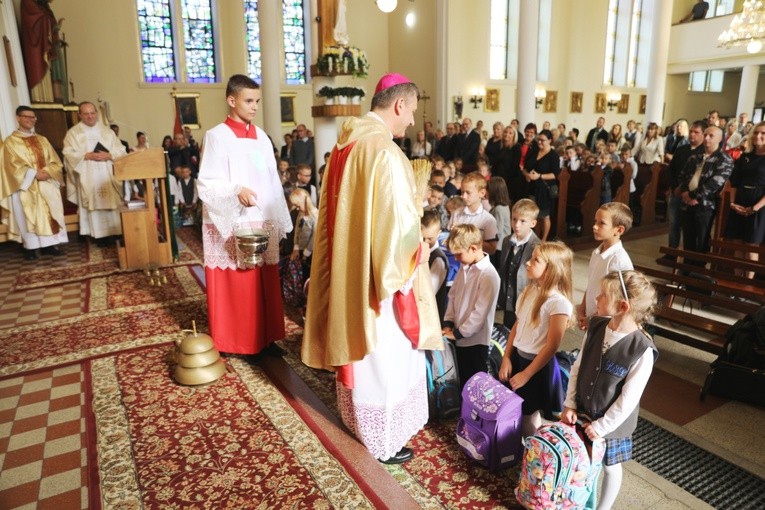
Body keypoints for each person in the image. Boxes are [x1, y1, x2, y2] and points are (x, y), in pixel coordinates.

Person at [301, 73, 441, 465]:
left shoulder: (348, 142)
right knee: (387, 356)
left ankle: (357, 423)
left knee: (364, 360)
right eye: (411, 111)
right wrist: (418, 235)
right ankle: (384, 440)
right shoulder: (385, 152)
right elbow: (395, 233)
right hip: (377, 281)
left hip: (350, 266)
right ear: (398, 105)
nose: (411, 121)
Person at [196, 74, 293, 358]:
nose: (254, 107)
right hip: (232, 219)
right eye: (248, 101)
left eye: (257, 101)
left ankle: (266, 337)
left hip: (261, 217)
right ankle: (234, 341)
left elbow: (272, 179)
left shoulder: (262, 136)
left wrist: (279, 217)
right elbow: (206, 182)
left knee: (264, 279)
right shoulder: (216, 136)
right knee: (237, 281)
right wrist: (235, 190)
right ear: (231, 100)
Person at [562, 270, 658, 510]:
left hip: (612, 422)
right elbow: (578, 365)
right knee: (583, 457)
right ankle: (578, 498)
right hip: (584, 408)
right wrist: (570, 403)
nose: (596, 298)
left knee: (610, 465)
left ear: (623, 305)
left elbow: (629, 399)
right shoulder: (596, 326)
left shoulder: (641, 349)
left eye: (603, 295)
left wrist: (602, 426)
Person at [498, 241, 574, 437]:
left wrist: (527, 374)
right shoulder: (530, 290)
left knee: (527, 414)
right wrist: (507, 357)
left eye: (535, 260)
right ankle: (530, 452)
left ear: (551, 270)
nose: (528, 263)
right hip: (518, 358)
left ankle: (534, 456)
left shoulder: (558, 303)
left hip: (536, 366)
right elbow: (517, 325)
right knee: (522, 412)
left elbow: (551, 346)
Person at [0, 105, 68, 260]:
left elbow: (55, 161)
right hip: (25, 186)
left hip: (45, 183)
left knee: (49, 212)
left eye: (33, 117)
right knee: (27, 216)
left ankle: (49, 245)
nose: (31, 120)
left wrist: (47, 172)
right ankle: (30, 248)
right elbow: (9, 166)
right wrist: (33, 174)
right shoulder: (10, 142)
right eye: (27, 117)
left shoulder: (42, 140)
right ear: (18, 118)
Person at [442, 224, 501, 388]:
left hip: (475, 342)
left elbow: (479, 314)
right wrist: (448, 322)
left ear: (473, 248)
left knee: (475, 387)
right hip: (458, 335)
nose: (455, 259)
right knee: (461, 382)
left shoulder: (489, 275)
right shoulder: (465, 266)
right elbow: (453, 295)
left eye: (458, 254)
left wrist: (459, 333)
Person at [63, 101, 127, 246]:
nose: (90, 117)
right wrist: (86, 156)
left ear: (97, 114)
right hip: (88, 174)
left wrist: (109, 155)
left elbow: (121, 150)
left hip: (107, 173)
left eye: (92, 113)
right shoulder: (73, 133)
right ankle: (97, 234)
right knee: (92, 201)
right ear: (80, 115)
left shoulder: (107, 132)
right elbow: (68, 153)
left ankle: (114, 232)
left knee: (111, 201)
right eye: (86, 114)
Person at [677, 126, 734, 258]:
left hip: (705, 205)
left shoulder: (724, 159)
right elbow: (682, 176)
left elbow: (714, 183)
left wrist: (692, 195)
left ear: (720, 139)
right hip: (687, 202)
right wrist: (685, 193)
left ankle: (698, 270)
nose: (706, 138)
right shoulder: (694, 157)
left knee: (702, 239)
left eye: (711, 136)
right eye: (706, 134)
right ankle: (687, 269)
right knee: (688, 238)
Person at [577, 202, 634, 330]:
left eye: (601, 223)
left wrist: (592, 320)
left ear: (619, 230)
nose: (594, 227)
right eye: (595, 221)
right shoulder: (596, 252)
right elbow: (591, 285)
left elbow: (616, 300)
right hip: (592, 317)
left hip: (606, 323)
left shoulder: (619, 261)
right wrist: (582, 311)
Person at [723, 121, 765, 273]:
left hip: (759, 206)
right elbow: (734, 182)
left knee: (751, 246)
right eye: (756, 132)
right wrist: (732, 203)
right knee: (737, 244)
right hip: (740, 202)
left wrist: (754, 208)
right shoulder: (745, 157)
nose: (758, 136)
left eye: (763, 133)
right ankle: (737, 283)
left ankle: (747, 287)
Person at [498, 199, 541, 330]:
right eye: (514, 219)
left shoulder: (538, 246)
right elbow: (504, 269)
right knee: (507, 330)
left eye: (523, 221)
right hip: (509, 300)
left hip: (525, 299)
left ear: (533, 223)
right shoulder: (506, 241)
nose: (517, 225)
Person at [666, 121, 705, 252]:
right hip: (676, 192)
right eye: (691, 132)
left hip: (693, 196)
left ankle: (687, 254)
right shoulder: (682, 149)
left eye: (696, 132)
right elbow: (671, 170)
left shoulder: (704, 152)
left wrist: (685, 190)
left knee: (689, 227)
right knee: (673, 223)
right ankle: (672, 251)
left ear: (703, 134)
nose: (692, 135)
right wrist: (674, 187)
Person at [448, 172, 498, 255]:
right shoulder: (456, 213)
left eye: (468, 193)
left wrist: (466, 238)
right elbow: (449, 239)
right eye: (462, 192)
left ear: (482, 193)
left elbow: (492, 249)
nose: (463, 196)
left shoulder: (488, 220)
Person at [523, 129, 560, 241]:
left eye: (542, 140)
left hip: (544, 189)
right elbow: (525, 167)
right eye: (538, 140)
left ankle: (543, 239)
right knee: (534, 215)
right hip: (532, 187)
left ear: (549, 140)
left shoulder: (553, 155)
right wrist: (526, 175)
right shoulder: (534, 151)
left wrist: (539, 176)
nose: (539, 142)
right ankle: (536, 237)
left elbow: (555, 174)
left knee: (544, 215)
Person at [421, 209, 449, 322]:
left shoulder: (438, 260)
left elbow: (428, 293)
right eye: (422, 238)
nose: (425, 242)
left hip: (431, 317)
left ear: (439, 233)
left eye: (430, 238)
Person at [288, 187, 317, 282]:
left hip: (311, 252)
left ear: (305, 202)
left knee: (311, 275)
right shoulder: (300, 214)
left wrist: (306, 253)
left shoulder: (315, 214)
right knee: (303, 275)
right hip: (300, 250)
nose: (297, 208)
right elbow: (297, 231)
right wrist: (296, 248)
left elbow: (315, 236)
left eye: (298, 205)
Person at [486, 176, 511, 268]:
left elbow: (497, 232)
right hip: (500, 246)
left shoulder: (499, 209)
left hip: (498, 248)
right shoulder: (503, 206)